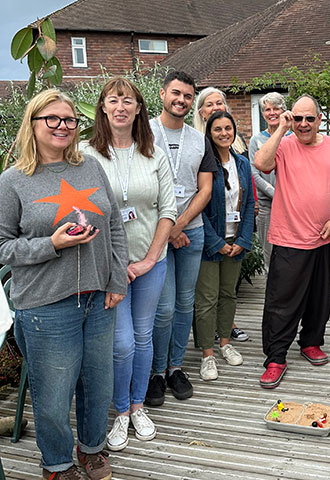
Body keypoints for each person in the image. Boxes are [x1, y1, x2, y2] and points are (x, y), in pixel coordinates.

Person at [0, 89, 128, 479]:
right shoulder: (12, 181)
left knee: (97, 385)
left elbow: (116, 226)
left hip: (98, 298)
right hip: (45, 306)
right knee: (53, 396)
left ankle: (91, 449)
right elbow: (2, 246)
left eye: (69, 120)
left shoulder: (90, 167)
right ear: (33, 124)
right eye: (51, 119)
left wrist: (116, 279)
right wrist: (50, 244)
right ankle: (56, 463)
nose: (62, 126)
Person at [80, 78, 177, 452]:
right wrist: (115, 267)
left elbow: (168, 209)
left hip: (151, 262)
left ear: (139, 109)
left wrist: (151, 258)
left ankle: (138, 406)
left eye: (128, 100)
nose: (120, 106)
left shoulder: (153, 153)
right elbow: (82, 211)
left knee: (143, 337)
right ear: (102, 107)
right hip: (109, 268)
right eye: (113, 100)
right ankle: (120, 411)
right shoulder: (87, 154)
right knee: (120, 345)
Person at [254, 94, 330, 388]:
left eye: (308, 118)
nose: (303, 124)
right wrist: (281, 129)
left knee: (320, 296)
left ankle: (311, 341)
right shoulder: (284, 145)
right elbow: (261, 163)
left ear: (320, 120)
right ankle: (276, 357)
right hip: (289, 237)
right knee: (281, 301)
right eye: (297, 118)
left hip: (325, 236)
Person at [146, 71, 216, 407]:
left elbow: (205, 189)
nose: (182, 101)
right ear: (162, 94)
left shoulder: (199, 139)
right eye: (176, 94)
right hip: (155, 234)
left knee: (184, 303)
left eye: (188, 96)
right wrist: (167, 228)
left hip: (191, 230)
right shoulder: (143, 132)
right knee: (163, 308)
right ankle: (156, 372)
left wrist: (180, 224)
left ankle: (175, 367)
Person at [195, 111, 255, 380]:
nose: (223, 133)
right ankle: (207, 354)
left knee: (229, 294)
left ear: (234, 131)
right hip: (213, 242)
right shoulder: (204, 165)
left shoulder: (242, 163)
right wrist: (216, 243)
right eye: (217, 129)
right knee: (207, 299)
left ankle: (225, 343)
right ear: (209, 133)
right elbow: (199, 208)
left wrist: (242, 240)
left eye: (228, 128)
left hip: (236, 241)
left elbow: (250, 203)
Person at [249, 92, 288, 272]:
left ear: (284, 110)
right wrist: (276, 193)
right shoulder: (256, 140)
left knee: (289, 254)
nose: (272, 113)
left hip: (291, 207)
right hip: (267, 207)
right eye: (267, 109)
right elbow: (255, 175)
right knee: (269, 255)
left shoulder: (293, 138)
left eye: (276, 108)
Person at [194, 86, 248, 157]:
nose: (216, 108)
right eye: (209, 105)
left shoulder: (238, 140)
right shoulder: (196, 142)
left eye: (219, 103)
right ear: (201, 113)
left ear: (225, 108)